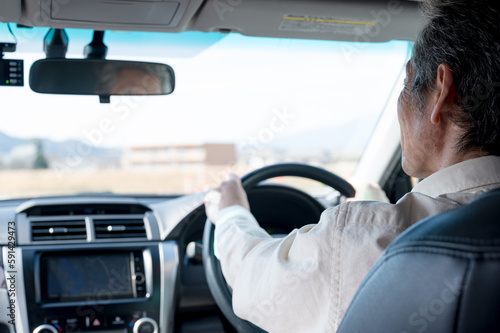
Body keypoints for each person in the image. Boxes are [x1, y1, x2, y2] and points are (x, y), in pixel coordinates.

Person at [204, 0, 500, 331]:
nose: (399, 103)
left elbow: (250, 277)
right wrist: (378, 209)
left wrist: (230, 213)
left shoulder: (360, 242)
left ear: (440, 93)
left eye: (406, 84)